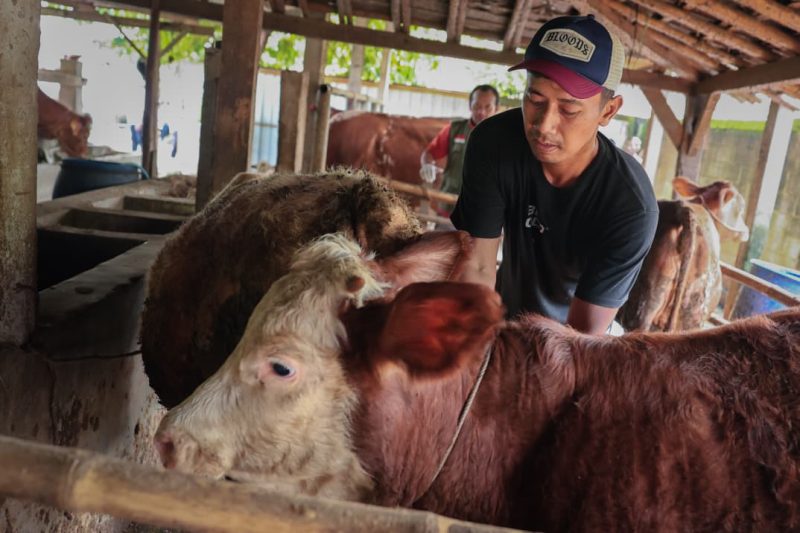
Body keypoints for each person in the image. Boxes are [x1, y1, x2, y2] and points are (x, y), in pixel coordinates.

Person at [450, 14, 659, 335]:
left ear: (608, 111)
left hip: (574, 337)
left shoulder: (630, 206)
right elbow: (477, 267)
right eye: (534, 99)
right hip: (503, 312)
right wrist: (478, 342)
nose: (544, 125)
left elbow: (582, 336)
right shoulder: (494, 143)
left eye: (568, 109)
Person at [419, 84, 499, 214]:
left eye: (487, 107)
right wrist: (426, 165)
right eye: (477, 106)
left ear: (496, 108)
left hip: (484, 212)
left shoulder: (504, 137)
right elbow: (428, 153)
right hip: (449, 208)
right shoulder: (454, 129)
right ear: (470, 106)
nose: (481, 112)